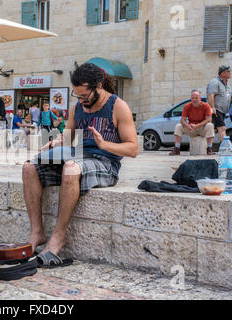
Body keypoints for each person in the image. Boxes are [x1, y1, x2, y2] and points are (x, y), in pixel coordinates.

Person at [22, 63, 138, 266]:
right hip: (79, 157)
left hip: (106, 163)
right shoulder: (78, 108)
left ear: (99, 86)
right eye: (78, 96)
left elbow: (133, 149)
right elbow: (68, 137)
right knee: (29, 167)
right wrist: (56, 142)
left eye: (84, 96)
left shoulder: (118, 106)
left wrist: (105, 144)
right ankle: (37, 233)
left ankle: (58, 236)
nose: (81, 100)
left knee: (71, 167)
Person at [169, 90, 215, 156]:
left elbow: (209, 119)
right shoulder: (187, 106)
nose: (194, 100)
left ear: (200, 98)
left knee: (210, 125)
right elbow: (182, 120)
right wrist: (187, 125)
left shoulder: (206, 106)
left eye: (196, 98)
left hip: (202, 129)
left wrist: (197, 126)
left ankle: (209, 148)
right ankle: (177, 148)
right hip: (191, 129)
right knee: (178, 126)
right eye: (193, 98)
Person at [207, 65, 232, 142]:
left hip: (223, 111)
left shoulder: (227, 84)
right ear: (223, 73)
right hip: (216, 110)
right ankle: (225, 148)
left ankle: (206, 145)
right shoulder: (215, 82)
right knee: (222, 128)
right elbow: (211, 95)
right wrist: (212, 108)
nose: (230, 73)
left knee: (214, 129)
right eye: (228, 71)